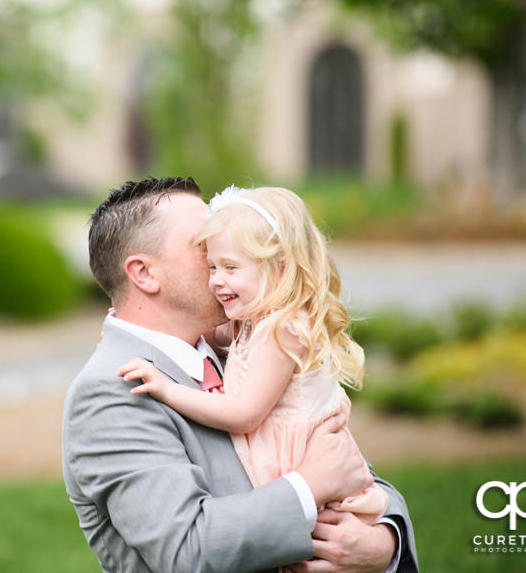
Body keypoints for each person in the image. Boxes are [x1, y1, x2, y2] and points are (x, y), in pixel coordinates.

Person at [62, 177, 418, 572]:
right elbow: (187, 551)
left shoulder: (243, 341)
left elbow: (346, 465)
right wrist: (308, 486)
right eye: (204, 245)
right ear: (144, 273)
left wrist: (382, 543)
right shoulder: (113, 391)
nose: (224, 249)